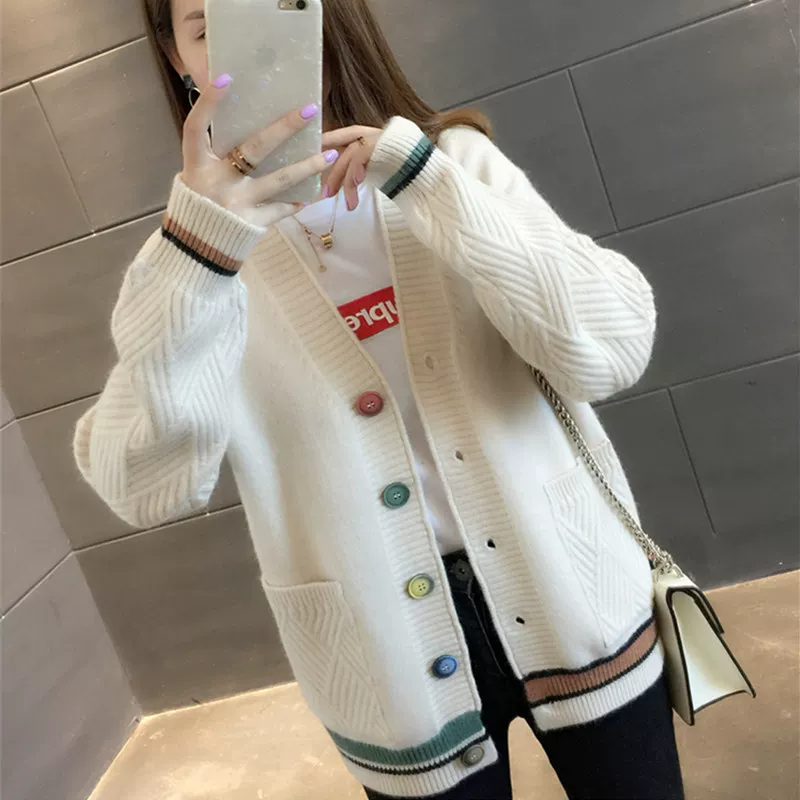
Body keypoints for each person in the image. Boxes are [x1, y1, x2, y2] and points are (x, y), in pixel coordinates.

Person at [74, 0, 685, 797]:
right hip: (383, 653)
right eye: (205, 24)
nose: (244, 43)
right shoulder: (191, 264)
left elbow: (613, 348)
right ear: (176, 57)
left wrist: (426, 182)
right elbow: (139, 486)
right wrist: (198, 257)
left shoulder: (454, 164)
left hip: (575, 588)